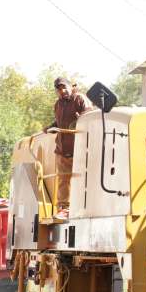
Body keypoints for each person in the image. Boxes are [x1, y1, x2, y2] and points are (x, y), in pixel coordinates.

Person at [47, 77, 91, 219]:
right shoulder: (58, 104)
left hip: (79, 150)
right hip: (62, 150)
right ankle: (64, 209)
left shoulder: (80, 99)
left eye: (64, 87)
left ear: (71, 86)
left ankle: (84, 207)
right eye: (59, 89)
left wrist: (80, 118)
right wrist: (50, 127)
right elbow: (59, 121)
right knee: (63, 181)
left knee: (82, 179)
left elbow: (91, 116)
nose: (62, 91)